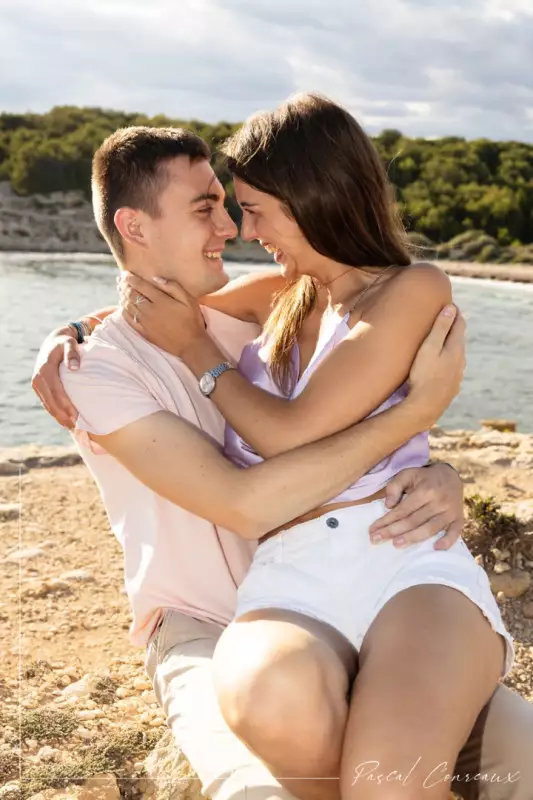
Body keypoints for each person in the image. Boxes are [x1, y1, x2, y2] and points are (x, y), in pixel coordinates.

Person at [31, 121, 532, 800]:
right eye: (207, 208)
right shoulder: (94, 372)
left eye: (239, 207)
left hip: (384, 568)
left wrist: (441, 468)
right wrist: (70, 334)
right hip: (214, 619)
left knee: (516, 765)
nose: (233, 230)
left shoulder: (261, 308)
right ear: (134, 225)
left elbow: (348, 336)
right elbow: (250, 502)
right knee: (259, 791)